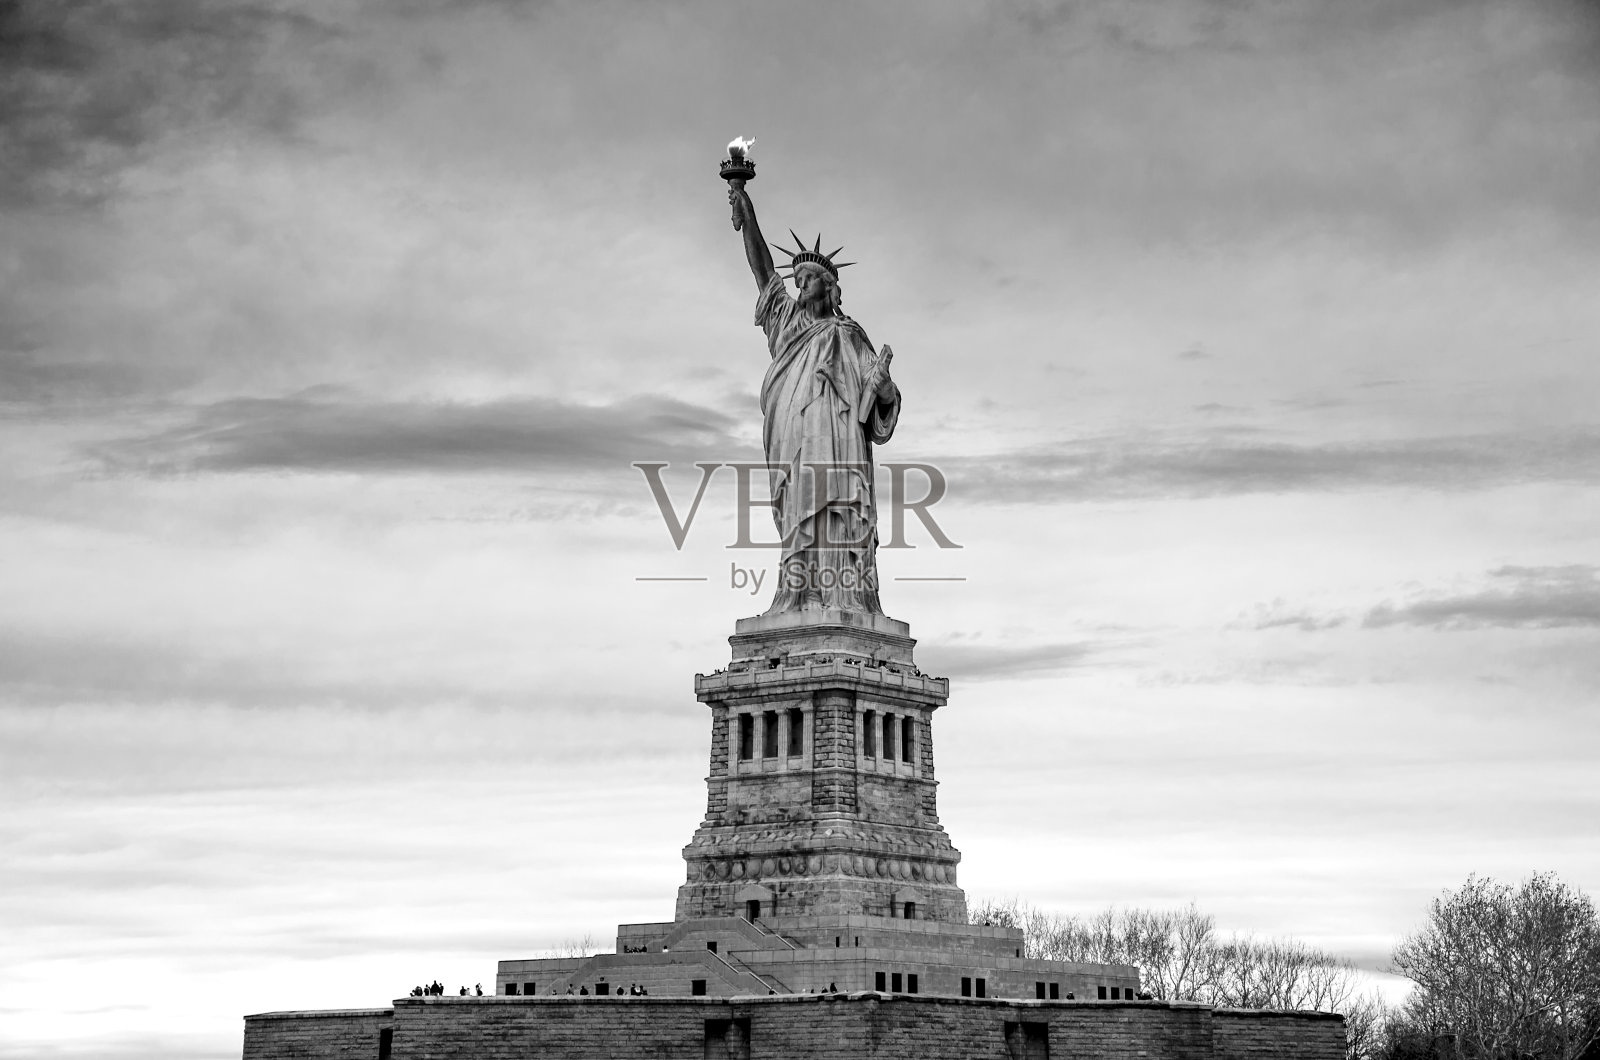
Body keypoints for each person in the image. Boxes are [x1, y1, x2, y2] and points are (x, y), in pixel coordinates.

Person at [727, 183, 900, 615]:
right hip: (795, 440)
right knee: (799, 512)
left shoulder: (848, 335)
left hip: (840, 445)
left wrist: (882, 389)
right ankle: (799, 597)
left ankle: (844, 598)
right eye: (797, 281)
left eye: (807, 281)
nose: (799, 287)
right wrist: (747, 214)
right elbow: (763, 274)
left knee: (838, 511)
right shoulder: (787, 324)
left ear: (828, 288)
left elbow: (882, 401)